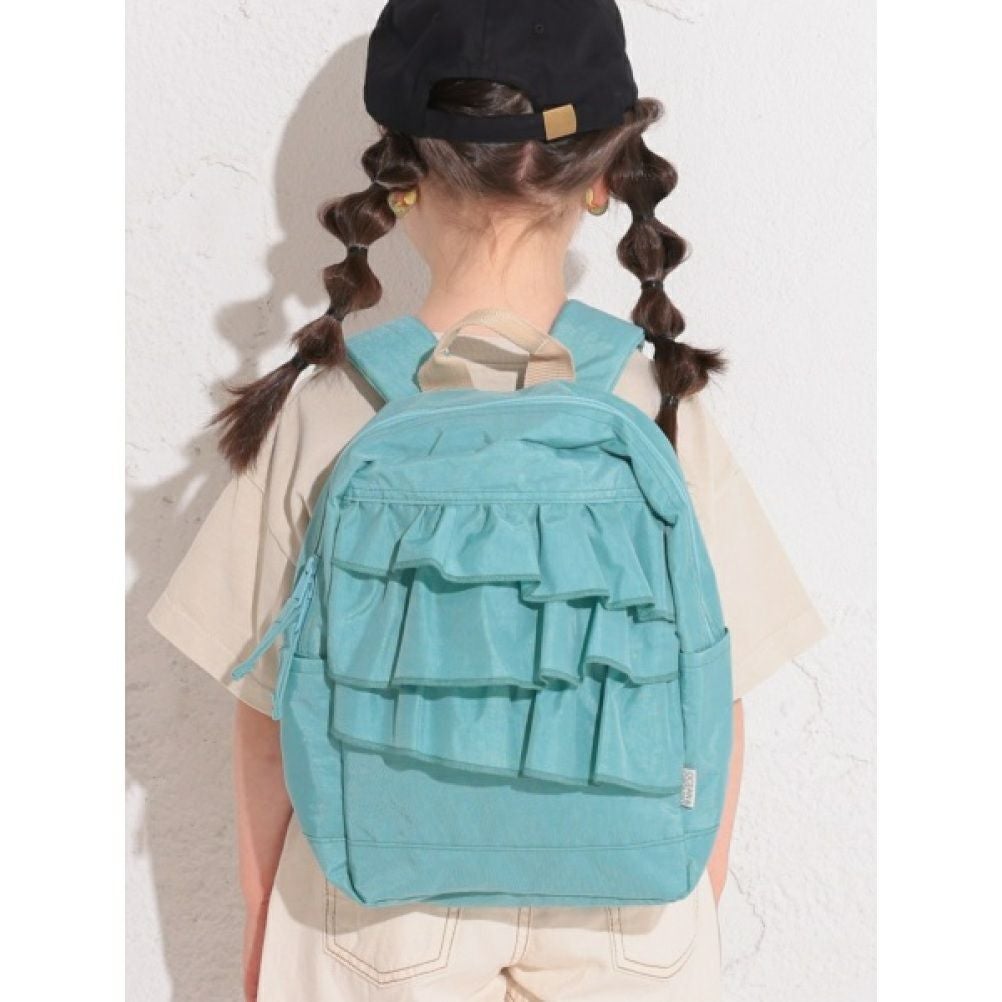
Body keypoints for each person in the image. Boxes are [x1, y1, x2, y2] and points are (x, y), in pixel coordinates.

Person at [147, 2, 827, 998]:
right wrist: (687, 911)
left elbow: (264, 726)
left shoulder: (329, 407)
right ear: (605, 177)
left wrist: (264, 934)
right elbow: (716, 695)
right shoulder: (658, 402)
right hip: (630, 904)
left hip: (375, 903)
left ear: (401, 177)